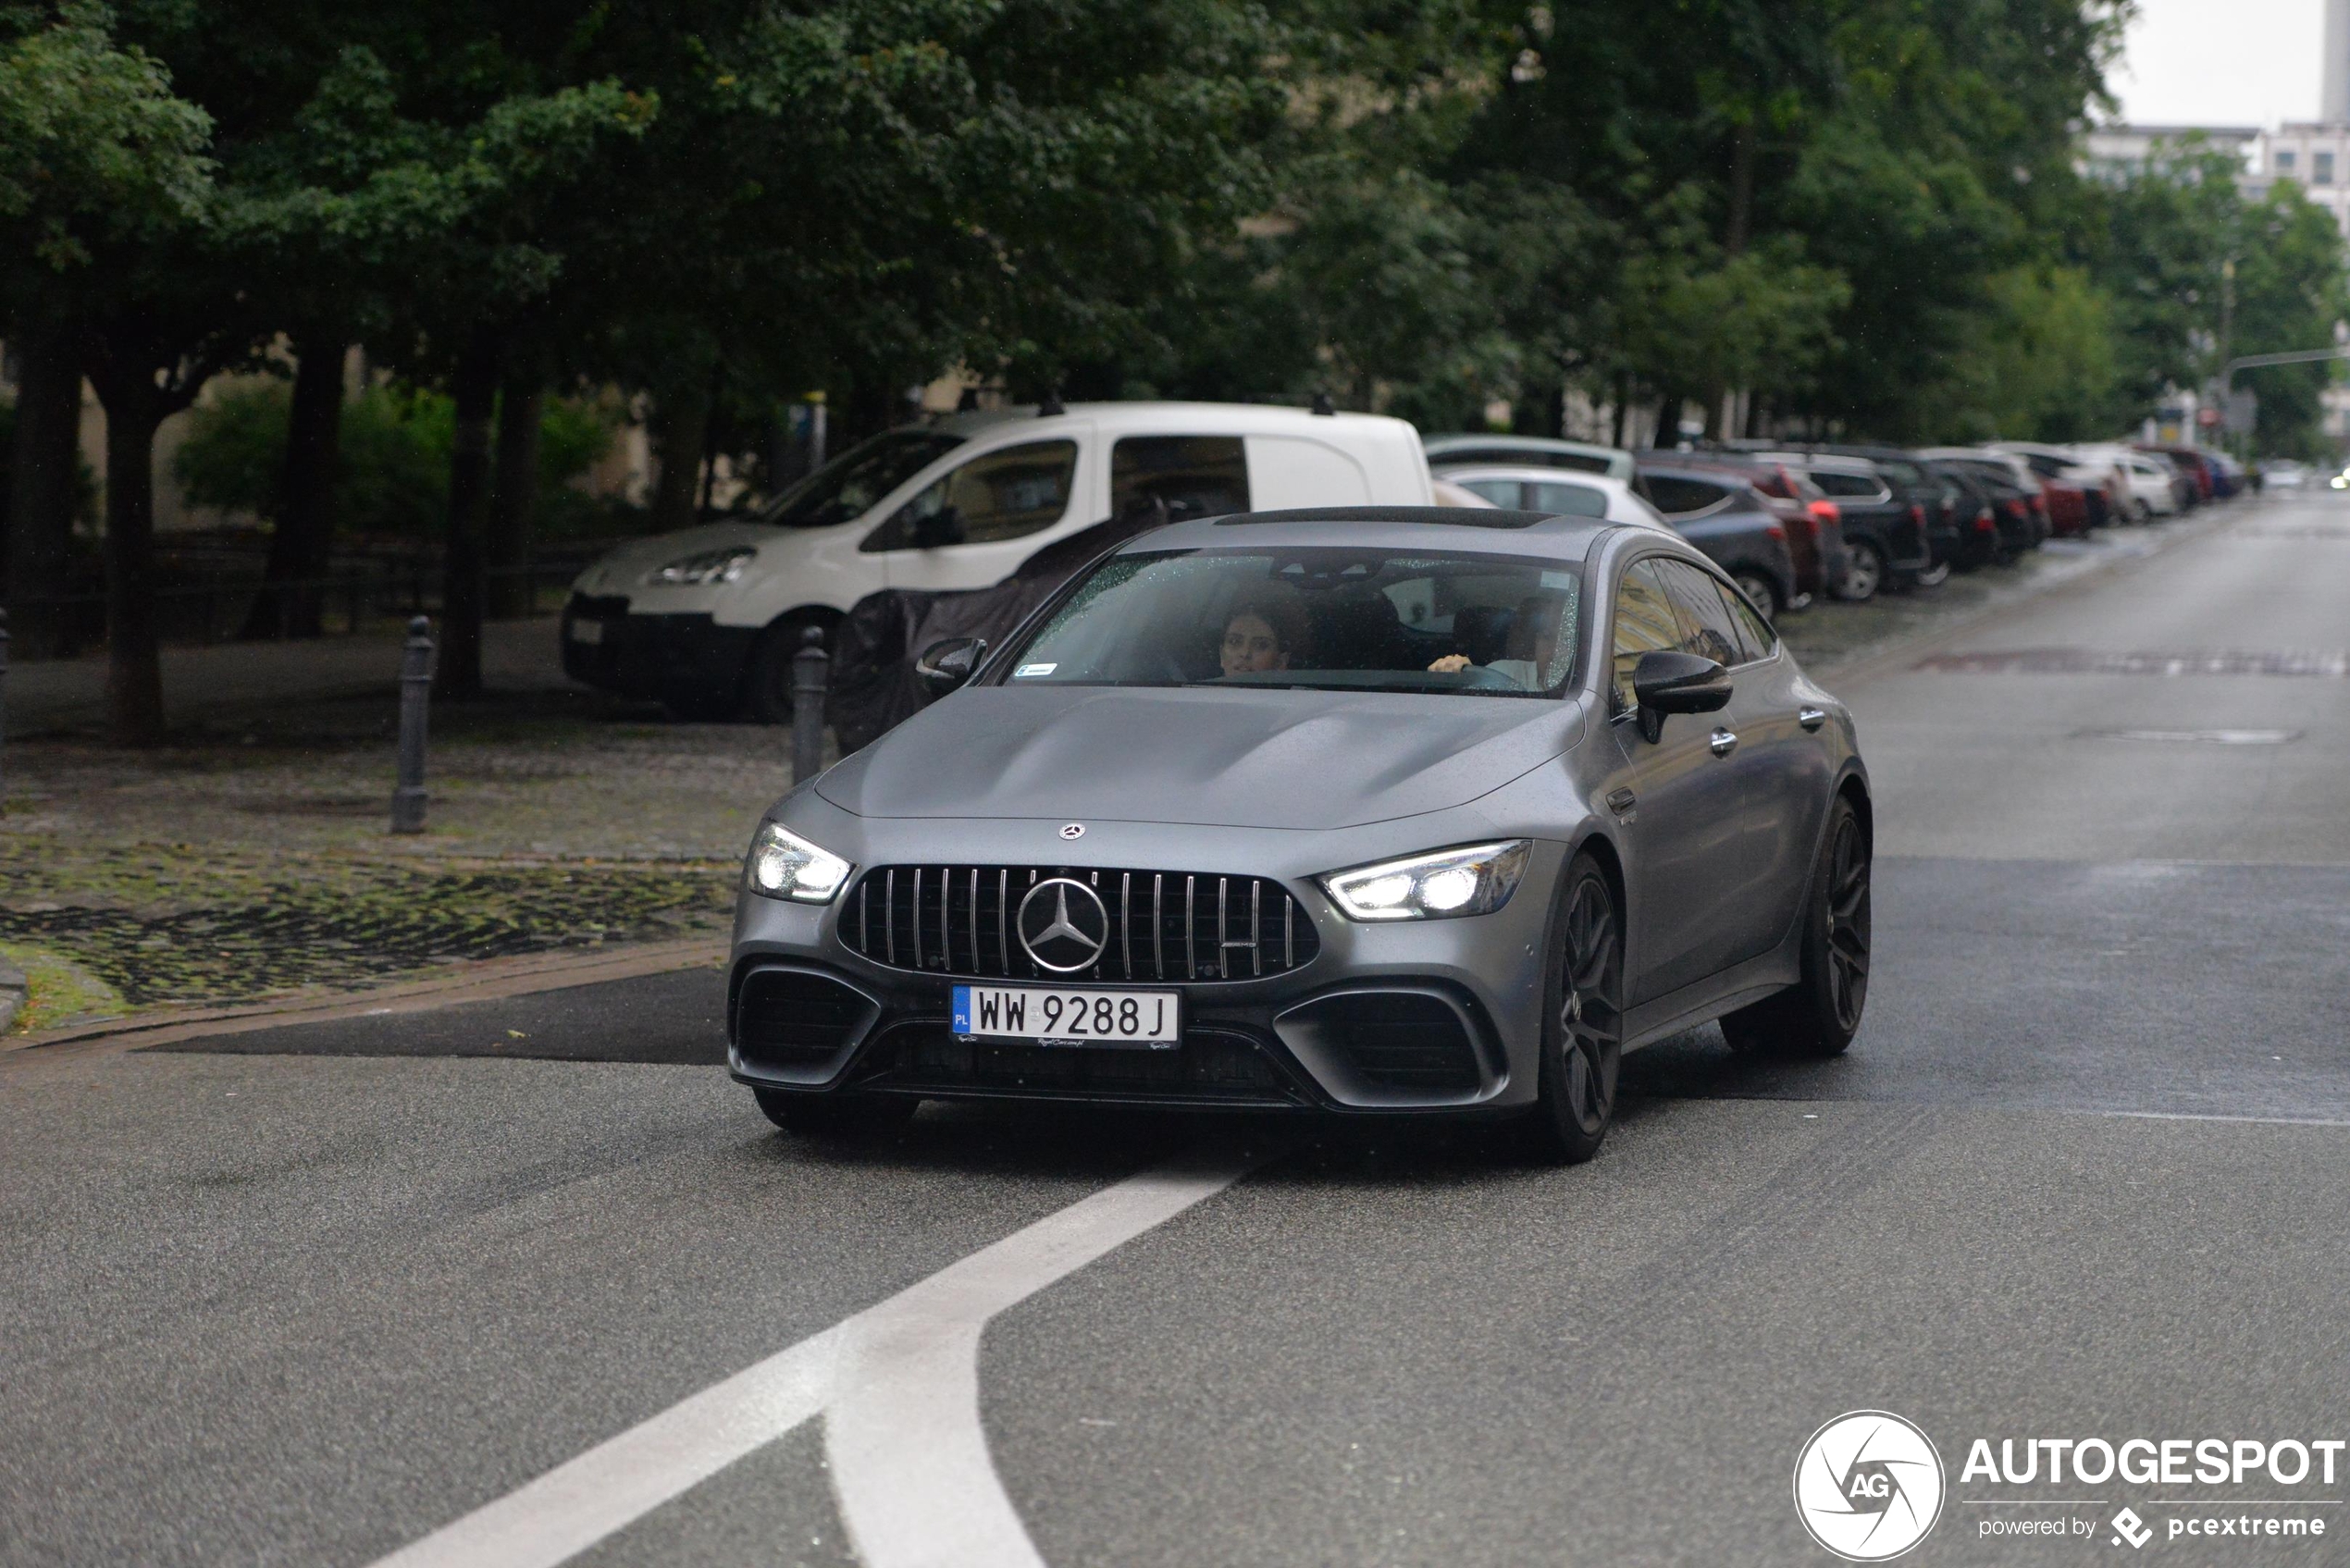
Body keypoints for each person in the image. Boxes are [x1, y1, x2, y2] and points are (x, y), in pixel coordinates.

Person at [1429, 592, 1565, 689]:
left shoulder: (1584, 693)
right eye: (1547, 637)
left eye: (1566, 639)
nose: (1555, 650)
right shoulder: (1502, 673)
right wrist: (1463, 675)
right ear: (1536, 641)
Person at [1218, 590, 1309, 677]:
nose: (1245, 653)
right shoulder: (1205, 692)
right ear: (1222, 655)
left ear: (1280, 662)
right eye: (1234, 641)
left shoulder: (1306, 693)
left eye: (1260, 645)